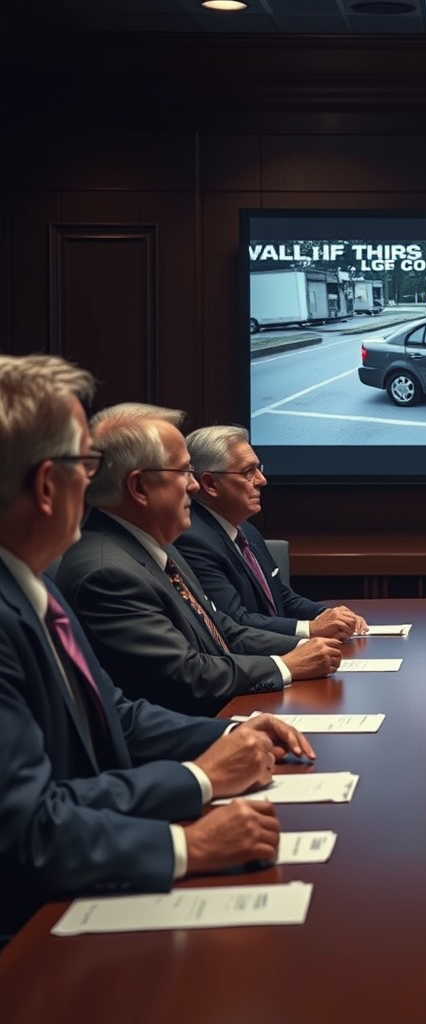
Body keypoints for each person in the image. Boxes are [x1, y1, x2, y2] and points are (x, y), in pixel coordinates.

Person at [0, 354, 316, 944]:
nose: (94, 480)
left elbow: (115, 714)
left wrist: (230, 734)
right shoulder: (78, 575)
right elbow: (27, 829)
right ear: (48, 484)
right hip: (30, 933)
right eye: (83, 462)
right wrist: (189, 827)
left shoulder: (35, 583)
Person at [56, 404, 345, 717]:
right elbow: (185, 675)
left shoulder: (153, 546)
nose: (193, 486)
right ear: (139, 487)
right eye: (182, 472)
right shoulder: (107, 572)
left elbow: (222, 630)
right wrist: (284, 666)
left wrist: (301, 647)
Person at [176, 425, 367, 640]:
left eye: (259, 469)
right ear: (210, 483)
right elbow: (234, 621)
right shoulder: (192, 540)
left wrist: (326, 614)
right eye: (248, 472)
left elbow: (282, 598)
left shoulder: (246, 529)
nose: (262, 480)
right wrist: (310, 629)